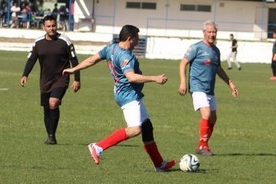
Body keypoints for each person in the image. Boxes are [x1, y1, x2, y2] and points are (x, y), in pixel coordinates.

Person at [64, 24, 175, 172]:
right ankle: (98, 147)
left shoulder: (111, 48)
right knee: (135, 129)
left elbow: (91, 60)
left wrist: (74, 69)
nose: (138, 41)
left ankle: (159, 164)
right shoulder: (125, 56)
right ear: (129, 39)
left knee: (147, 127)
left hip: (123, 92)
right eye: (136, 38)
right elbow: (131, 77)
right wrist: (155, 78)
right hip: (128, 95)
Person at [179, 21, 239, 156]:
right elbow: (183, 63)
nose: (212, 34)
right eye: (210, 32)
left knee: (213, 118)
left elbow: (218, 69)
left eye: (214, 32)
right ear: (204, 32)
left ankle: (202, 145)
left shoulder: (216, 50)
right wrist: (183, 82)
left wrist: (230, 83)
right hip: (197, 87)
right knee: (206, 114)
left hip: (209, 89)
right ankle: (203, 146)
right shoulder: (196, 47)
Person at [20, 15, 81, 145]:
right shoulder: (38, 42)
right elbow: (31, 59)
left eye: (53, 26)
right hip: (45, 80)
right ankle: (50, 136)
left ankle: (52, 136)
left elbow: (74, 60)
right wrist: (25, 74)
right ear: (44, 27)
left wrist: (77, 79)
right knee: (46, 108)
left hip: (61, 78)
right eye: (48, 26)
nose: (51, 28)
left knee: (53, 103)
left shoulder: (65, 41)